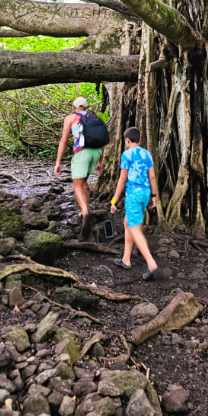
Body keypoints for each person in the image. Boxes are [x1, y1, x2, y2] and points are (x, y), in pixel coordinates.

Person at [110, 126, 159, 280]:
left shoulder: (127, 154)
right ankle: (126, 259)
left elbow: (122, 179)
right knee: (128, 222)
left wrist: (114, 200)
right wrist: (153, 196)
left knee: (134, 228)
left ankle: (151, 263)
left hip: (133, 195)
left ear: (127, 140)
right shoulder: (147, 154)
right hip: (145, 193)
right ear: (139, 140)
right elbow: (152, 177)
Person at [53, 96, 102, 240]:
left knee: (77, 186)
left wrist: (58, 162)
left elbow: (63, 140)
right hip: (95, 151)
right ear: (85, 107)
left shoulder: (70, 118)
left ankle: (86, 212)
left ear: (75, 106)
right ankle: (83, 213)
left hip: (82, 152)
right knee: (84, 183)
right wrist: (100, 161)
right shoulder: (94, 117)